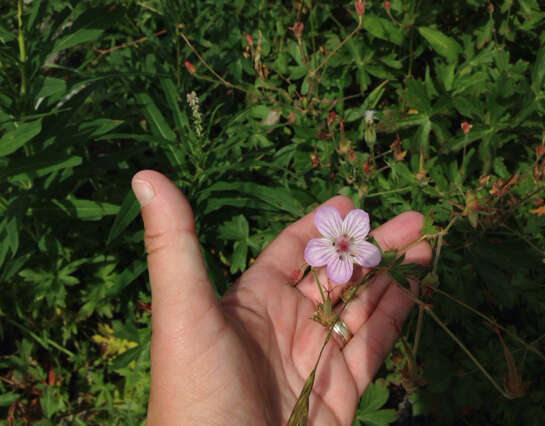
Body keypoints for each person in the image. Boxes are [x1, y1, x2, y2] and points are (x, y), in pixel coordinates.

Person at [131, 170, 432, 425]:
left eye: (345, 242)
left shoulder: (350, 244)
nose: (342, 244)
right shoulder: (323, 249)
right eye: (339, 241)